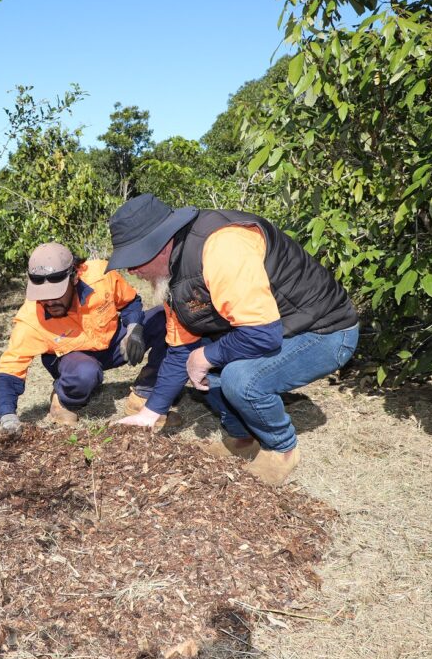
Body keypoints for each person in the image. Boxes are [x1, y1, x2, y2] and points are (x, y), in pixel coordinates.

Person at [109, 193, 359, 485]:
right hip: (274, 328)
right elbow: (180, 350)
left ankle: (280, 450)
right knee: (198, 363)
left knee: (240, 378)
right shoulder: (172, 275)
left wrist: (205, 356)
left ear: (160, 245)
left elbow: (261, 335)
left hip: (324, 331)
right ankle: (241, 439)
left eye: (134, 260)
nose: (131, 271)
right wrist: (150, 413)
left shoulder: (223, 246)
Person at [0, 242, 174, 434]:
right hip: (73, 361)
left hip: (113, 343)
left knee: (165, 317)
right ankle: (63, 400)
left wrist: (134, 328)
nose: (50, 302)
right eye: (43, 296)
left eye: (56, 293)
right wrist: (7, 416)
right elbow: (9, 373)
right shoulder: (31, 318)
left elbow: (130, 302)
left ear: (75, 277)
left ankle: (144, 395)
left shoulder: (101, 275)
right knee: (85, 372)